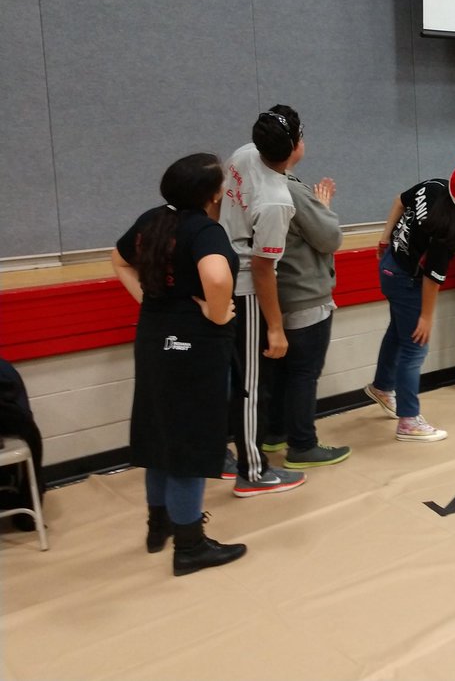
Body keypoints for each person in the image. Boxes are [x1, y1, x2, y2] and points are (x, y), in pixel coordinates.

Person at [112, 153, 247, 576]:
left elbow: (118, 260)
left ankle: (160, 526)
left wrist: (150, 302)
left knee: (159, 434)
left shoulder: (152, 220)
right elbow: (219, 279)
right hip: (195, 346)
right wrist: (216, 312)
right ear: (212, 194)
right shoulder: (205, 230)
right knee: (190, 442)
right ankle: (190, 547)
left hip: (153, 337)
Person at [368, 162, 455, 442]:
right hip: (407, 279)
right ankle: (408, 420)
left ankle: (381, 387)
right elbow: (432, 276)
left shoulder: (434, 185)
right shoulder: (451, 225)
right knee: (414, 348)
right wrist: (426, 317)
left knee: (397, 332)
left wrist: (383, 240)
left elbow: (398, 201)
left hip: (390, 264)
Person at [219, 107, 307, 497]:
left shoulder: (243, 153)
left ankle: (219, 453)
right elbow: (261, 270)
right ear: (294, 148)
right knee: (251, 386)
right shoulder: (276, 201)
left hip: (216, 272)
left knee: (228, 376)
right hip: (242, 288)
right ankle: (252, 471)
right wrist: (274, 326)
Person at [262, 165, 351, 469]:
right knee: (303, 373)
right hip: (303, 295)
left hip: (274, 296)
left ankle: (275, 433)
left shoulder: (254, 187)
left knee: (280, 373)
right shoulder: (291, 191)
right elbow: (329, 239)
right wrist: (324, 209)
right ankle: (302, 445)